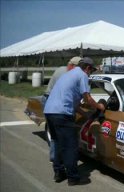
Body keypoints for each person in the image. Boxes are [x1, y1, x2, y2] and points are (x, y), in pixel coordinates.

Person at [43, 57, 105, 186]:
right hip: (62, 114)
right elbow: (87, 98)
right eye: (91, 71)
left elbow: (74, 104)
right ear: (87, 68)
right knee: (70, 147)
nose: (90, 73)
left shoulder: (69, 75)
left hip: (49, 111)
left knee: (59, 144)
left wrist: (86, 114)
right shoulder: (82, 75)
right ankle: (73, 178)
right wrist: (99, 107)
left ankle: (59, 173)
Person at [42, 56, 81, 162]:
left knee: (55, 134)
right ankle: (60, 160)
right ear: (73, 65)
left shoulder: (62, 69)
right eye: (79, 67)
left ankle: (55, 159)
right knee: (59, 135)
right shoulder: (66, 74)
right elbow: (69, 96)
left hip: (48, 100)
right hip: (53, 102)